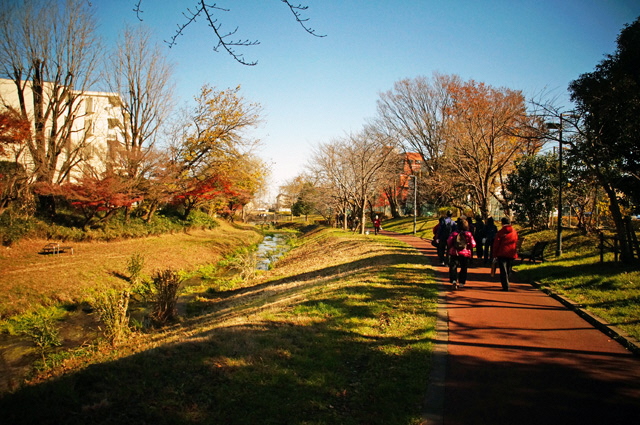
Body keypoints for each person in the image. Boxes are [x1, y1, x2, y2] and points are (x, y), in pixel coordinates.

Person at [447, 218, 476, 289]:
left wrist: (452, 247)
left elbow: (449, 241)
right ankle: (461, 282)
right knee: (464, 268)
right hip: (465, 253)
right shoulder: (468, 234)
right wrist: (468, 247)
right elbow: (473, 244)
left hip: (455, 252)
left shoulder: (454, 233)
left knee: (453, 267)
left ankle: (453, 280)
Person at [492, 217, 519, 291]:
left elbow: (496, 244)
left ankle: (505, 285)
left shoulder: (500, 232)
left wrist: (494, 254)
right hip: (511, 252)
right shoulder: (514, 232)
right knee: (508, 269)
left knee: (503, 270)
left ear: (502, 223)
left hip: (502, 253)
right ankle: (508, 281)